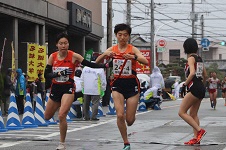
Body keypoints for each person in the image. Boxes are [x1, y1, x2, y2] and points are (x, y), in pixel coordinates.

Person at [44, 32, 109, 150]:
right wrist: (59, 73)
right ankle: (59, 103)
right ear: (57, 45)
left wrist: (104, 66)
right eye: (61, 43)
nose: (63, 46)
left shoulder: (74, 56)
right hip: (56, 88)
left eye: (65, 43)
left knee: (62, 114)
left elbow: (89, 64)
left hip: (68, 88)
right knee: (47, 116)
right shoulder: (52, 56)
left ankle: (62, 143)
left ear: (68, 44)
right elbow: (46, 74)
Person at [95, 23, 148, 150]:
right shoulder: (112, 49)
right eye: (120, 35)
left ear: (128, 36)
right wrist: (106, 55)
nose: (122, 37)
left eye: (125, 35)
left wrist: (133, 57)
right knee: (119, 115)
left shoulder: (132, 49)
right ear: (116, 36)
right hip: (117, 84)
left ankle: (131, 116)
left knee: (129, 120)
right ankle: (126, 142)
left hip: (132, 85)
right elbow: (97, 61)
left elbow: (145, 61)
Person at [178, 38, 207, 145]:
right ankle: (196, 138)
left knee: (181, 112)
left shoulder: (191, 58)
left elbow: (192, 73)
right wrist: (202, 85)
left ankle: (200, 131)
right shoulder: (199, 58)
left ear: (186, 48)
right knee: (193, 114)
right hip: (200, 87)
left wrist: (185, 84)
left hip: (194, 87)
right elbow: (205, 75)